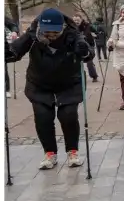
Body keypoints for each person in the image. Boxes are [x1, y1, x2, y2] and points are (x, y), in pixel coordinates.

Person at [7, 9, 93, 169]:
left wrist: (84, 50)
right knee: (43, 117)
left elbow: (88, 54)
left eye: (56, 32)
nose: (51, 36)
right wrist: (7, 50)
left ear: (62, 28)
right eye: (47, 33)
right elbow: (14, 52)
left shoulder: (73, 34)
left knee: (68, 115)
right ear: (40, 27)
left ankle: (72, 151)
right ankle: (50, 153)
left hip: (69, 83)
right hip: (39, 84)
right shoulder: (32, 36)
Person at [74, 12, 99, 82]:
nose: (76, 22)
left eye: (78, 20)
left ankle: (94, 76)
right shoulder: (72, 27)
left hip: (89, 46)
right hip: (78, 47)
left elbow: (96, 32)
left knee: (89, 62)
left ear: (81, 19)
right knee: (76, 62)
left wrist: (95, 35)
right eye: (75, 20)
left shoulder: (88, 26)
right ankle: (78, 76)